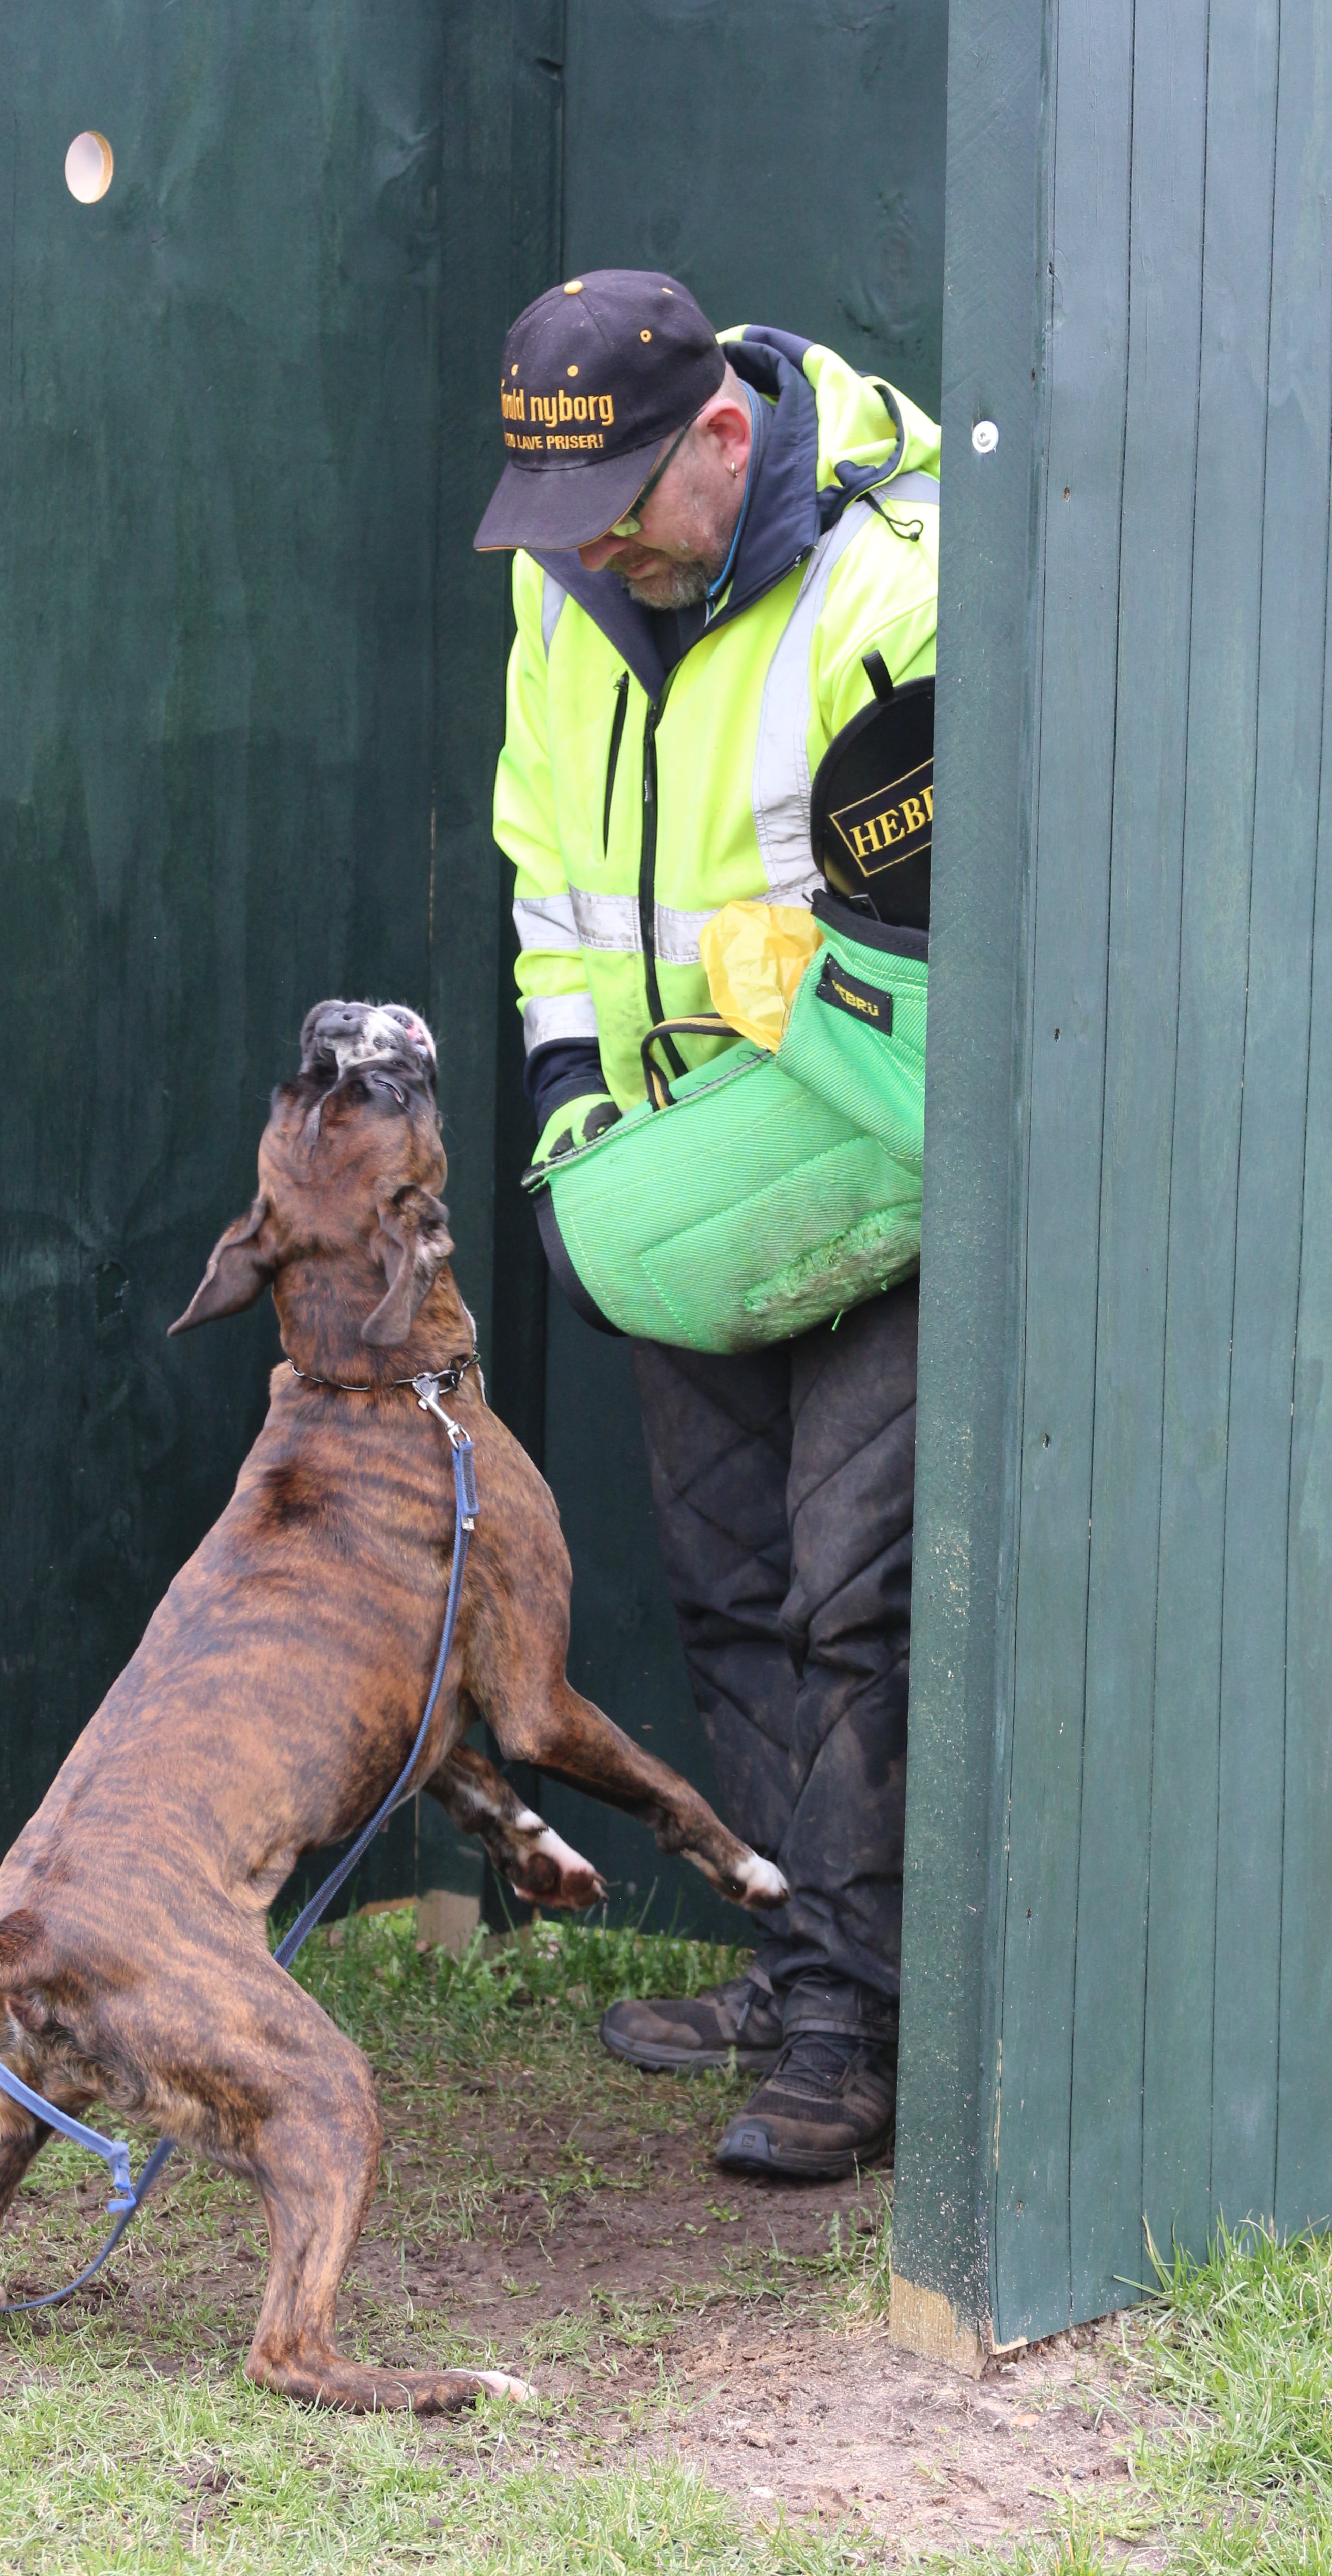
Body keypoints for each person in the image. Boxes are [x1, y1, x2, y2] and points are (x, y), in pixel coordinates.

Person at [474, 271, 939, 2182]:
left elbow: (929, 958)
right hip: (681, 1178)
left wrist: (797, 1063)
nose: (586, 554)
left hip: (884, 1179)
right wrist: (578, 1095)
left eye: (618, 514)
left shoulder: (892, 595)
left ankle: (852, 2031)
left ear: (726, 443)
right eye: (557, 523)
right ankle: (804, 1957)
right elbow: (550, 871)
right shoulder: (573, 582)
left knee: (856, 1594)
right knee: (733, 1587)